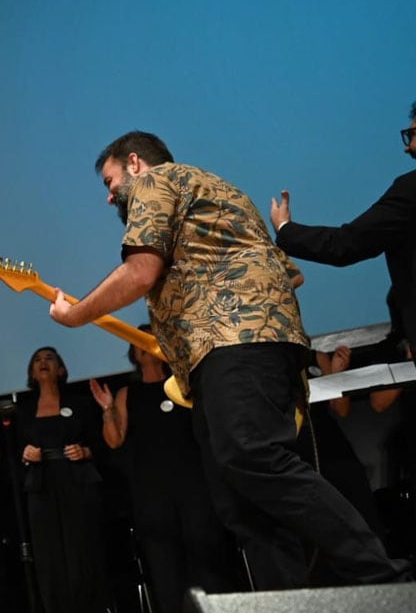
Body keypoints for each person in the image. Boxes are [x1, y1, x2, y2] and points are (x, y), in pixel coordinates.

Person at [49, 131, 410, 589]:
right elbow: (289, 273)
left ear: (135, 163)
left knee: (251, 456)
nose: (108, 196)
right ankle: (286, 600)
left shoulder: (156, 182)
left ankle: (385, 578)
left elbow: (140, 272)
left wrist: (76, 315)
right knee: (240, 500)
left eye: (110, 180)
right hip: (238, 350)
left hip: (234, 345)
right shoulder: (217, 193)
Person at [89, 328, 233, 613]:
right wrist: (107, 409)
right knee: (165, 561)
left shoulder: (183, 383)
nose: (143, 345)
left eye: (150, 339)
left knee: (205, 549)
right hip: (152, 489)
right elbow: (114, 440)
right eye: (137, 342)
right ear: (133, 353)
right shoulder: (127, 393)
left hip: (193, 482)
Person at [270, 99, 416, 363]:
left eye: (412, 134)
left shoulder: (410, 190)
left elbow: (345, 244)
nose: (408, 147)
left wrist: (285, 228)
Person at [0, 347, 107, 613]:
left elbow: (102, 443)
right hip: (41, 487)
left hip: (77, 482)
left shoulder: (80, 402)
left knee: (81, 551)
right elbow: (11, 457)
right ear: (31, 373)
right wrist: (26, 454)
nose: (44, 362)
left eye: (50, 358)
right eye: (37, 359)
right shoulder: (22, 411)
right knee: (49, 557)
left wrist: (85, 451)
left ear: (61, 369)